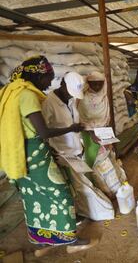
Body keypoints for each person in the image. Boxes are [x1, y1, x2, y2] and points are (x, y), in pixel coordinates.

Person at [0, 56, 97, 256]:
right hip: (34, 155)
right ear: (38, 75)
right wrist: (70, 128)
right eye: (48, 78)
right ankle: (71, 239)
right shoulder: (27, 95)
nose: (49, 83)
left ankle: (43, 240)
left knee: (34, 197)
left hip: (22, 153)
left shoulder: (12, 92)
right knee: (62, 194)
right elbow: (43, 133)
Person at [42, 71, 114, 222]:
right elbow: (44, 131)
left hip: (76, 149)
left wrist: (88, 131)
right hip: (62, 152)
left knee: (81, 184)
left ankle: (82, 210)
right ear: (62, 84)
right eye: (70, 93)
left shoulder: (71, 100)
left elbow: (75, 122)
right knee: (79, 186)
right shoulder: (50, 103)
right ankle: (79, 213)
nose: (71, 96)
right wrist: (69, 130)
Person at [78, 71, 110, 167]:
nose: (97, 87)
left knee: (104, 159)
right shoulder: (83, 97)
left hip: (102, 132)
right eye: (94, 84)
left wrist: (108, 137)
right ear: (89, 83)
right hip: (87, 134)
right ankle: (91, 179)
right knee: (90, 158)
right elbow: (81, 117)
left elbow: (106, 117)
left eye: (100, 84)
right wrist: (92, 132)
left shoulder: (104, 97)